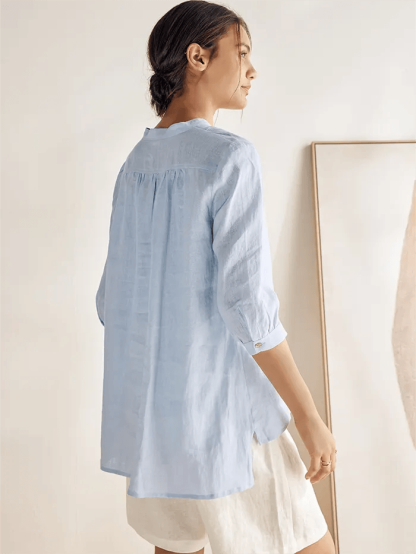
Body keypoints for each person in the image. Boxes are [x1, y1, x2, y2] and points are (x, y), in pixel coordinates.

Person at [95, 1, 337, 553]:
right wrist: (309, 418)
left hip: (154, 425)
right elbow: (248, 308)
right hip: (228, 419)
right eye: (243, 53)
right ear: (198, 57)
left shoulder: (134, 165)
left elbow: (112, 302)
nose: (253, 70)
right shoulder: (229, 157)